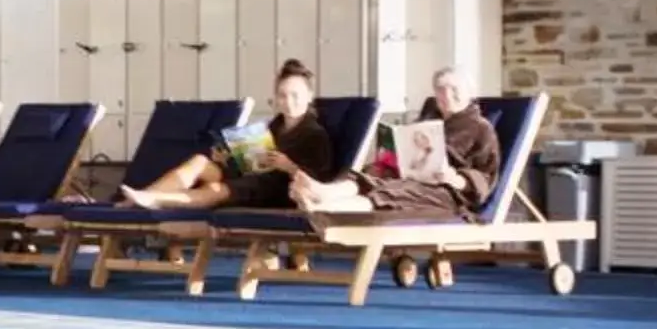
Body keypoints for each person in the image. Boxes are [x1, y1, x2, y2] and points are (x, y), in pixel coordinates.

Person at [118, 60, 334, 211]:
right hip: (253, 182)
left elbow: (320, 181)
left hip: (277, 193)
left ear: (309, 96)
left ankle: (157, 200)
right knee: (200, 161)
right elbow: (252, 164)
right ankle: (142, 199)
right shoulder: (273, 127)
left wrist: (289, 166)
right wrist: (228, 159)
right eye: (283, 96)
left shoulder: (315, 135)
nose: (289, 102)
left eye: (295, 95)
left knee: (215, 188)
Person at [296, 66, 498, 217]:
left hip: (447, 193)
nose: (447, 95)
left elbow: (485, 177)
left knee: (391, 193)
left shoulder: (481, 128)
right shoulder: (429, 121)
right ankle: (324, 192)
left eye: (454, 89)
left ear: (469, 93)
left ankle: (322, 208)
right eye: (440, 89)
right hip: (410, 178)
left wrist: (455, 179)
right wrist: (387, 161)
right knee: (366, 176)